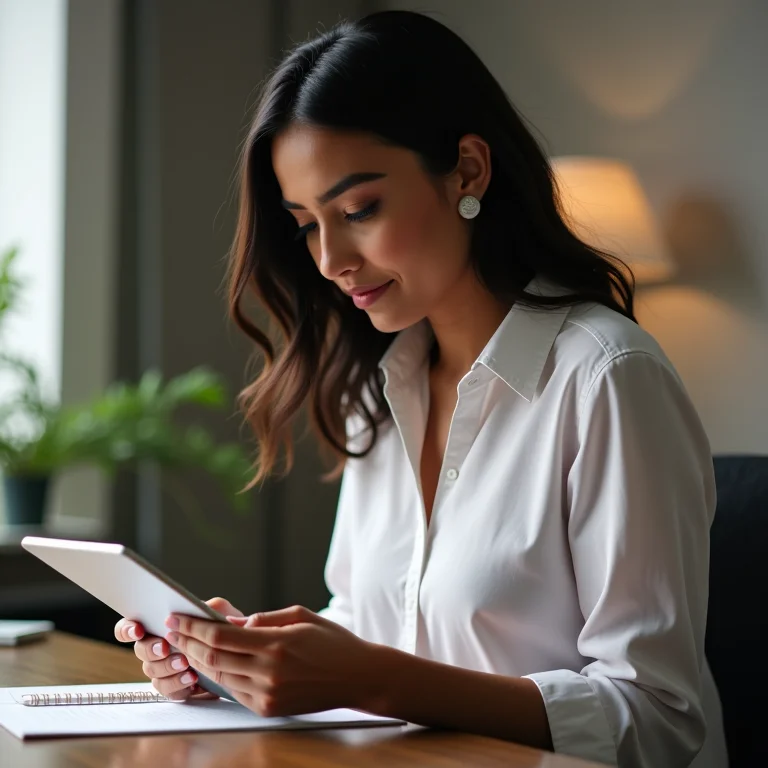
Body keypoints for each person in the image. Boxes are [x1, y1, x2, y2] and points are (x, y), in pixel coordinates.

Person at [114, 10, 727, 767]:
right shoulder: (378, 388)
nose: (330, 259)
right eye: (307, 225)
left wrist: (371, 677)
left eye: (358, 210)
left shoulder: (606, 377)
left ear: (467, 170)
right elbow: (375, 626)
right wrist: (244, 662)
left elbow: (658, 716)